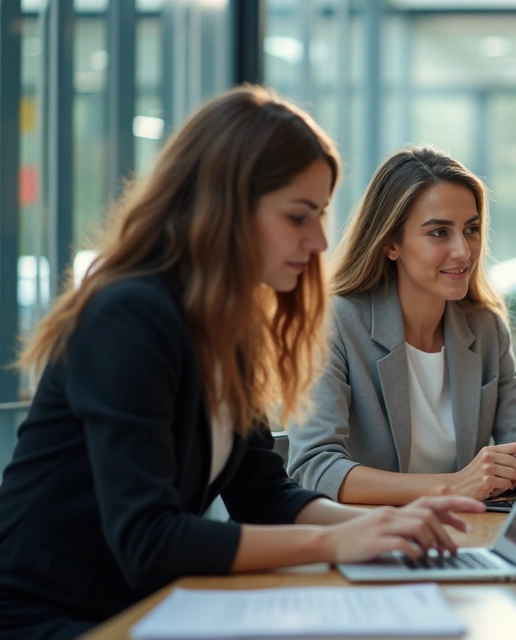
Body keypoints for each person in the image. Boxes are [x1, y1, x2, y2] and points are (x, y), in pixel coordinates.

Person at [0, 87, 484, 639]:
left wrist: (385, 526)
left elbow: (264, 496)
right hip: (46, 618)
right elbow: (148, 539)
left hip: (137, 610)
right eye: (299, 217)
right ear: (224, 208)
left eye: (321, 215)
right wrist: (335, 540)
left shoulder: (229, 326)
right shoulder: (128, 316)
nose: (321, 240)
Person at [288, 145, 516, 506]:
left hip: (462, 536)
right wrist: (453, 486)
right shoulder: (333, 324)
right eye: (439, 233)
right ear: (392, 243)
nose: (463, 251)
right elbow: (315, 466)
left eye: (470, 229)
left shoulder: (485, 328)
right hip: (371, 540)